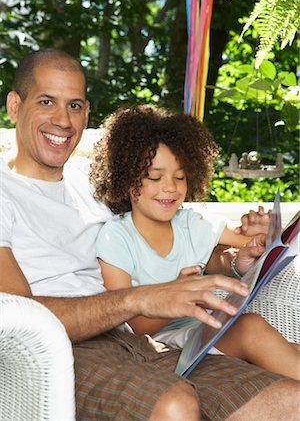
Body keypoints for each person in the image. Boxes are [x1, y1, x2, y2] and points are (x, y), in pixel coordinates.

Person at [0, 48, 299, 421]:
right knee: (175, 406)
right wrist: (139, 300)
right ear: (15, 105)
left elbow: (167, 235)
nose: (63, 120)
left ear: (87, 111)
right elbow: (16, 319)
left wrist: (239, 256)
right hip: (61, 352)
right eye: (47, 101)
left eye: (75, 105)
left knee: (290, 399)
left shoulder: (93, 184)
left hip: (146, 343)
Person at [91, 104, 300, 380]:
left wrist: (259, 238)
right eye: (155, 177)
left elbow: (247, 243)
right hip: (157, 346)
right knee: (252, 330)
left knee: (290, 347)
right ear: (126, 179)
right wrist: (177, 295)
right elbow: (129, 322)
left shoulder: (189, 222)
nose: (171, 187)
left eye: (180, 177)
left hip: (202, 333)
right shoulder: (115, 237)